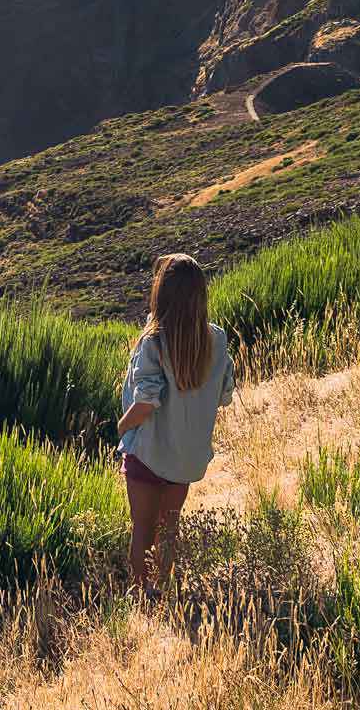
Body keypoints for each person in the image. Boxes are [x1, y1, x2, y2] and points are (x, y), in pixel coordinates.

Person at [116, 253, 235, 594]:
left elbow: (146, 402)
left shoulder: (153, 341)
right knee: (168, 529)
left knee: (142, 527)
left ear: (161, 293)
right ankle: (161, 588)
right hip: (185, 458)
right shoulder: (216, 339)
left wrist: (122, 428)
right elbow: (225, 394)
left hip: (148, 451)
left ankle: (141, 596)